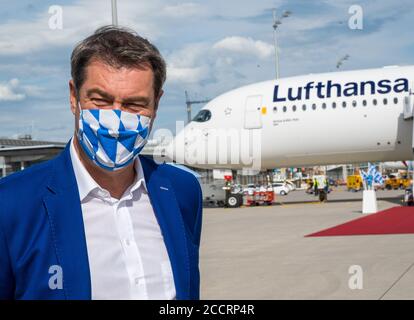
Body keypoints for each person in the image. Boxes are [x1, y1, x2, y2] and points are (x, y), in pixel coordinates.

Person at [0, 26, 202, 300]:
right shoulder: (11, 204)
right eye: (101, 100)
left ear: (157, 104)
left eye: (134, 104)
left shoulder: (181, 191)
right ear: (74, 97)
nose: (116, 120)